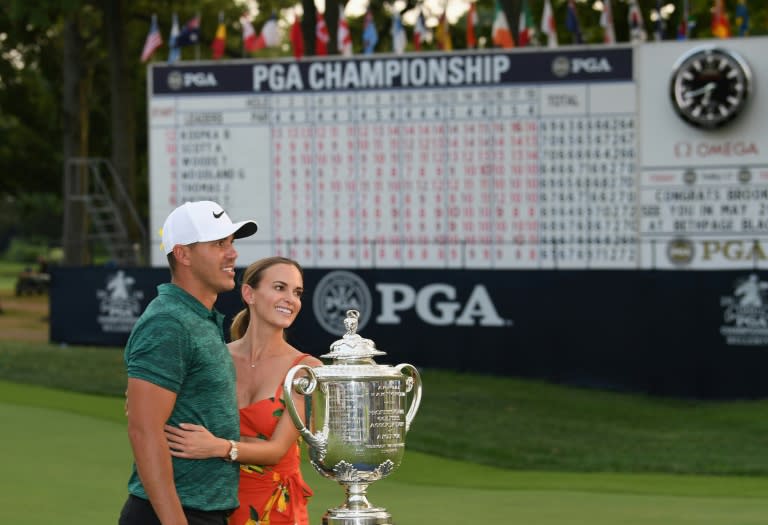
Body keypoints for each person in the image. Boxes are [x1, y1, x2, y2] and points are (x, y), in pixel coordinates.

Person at [120, 200, 258, 525]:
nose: (232, 253)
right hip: (173, 515)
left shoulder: (197, 317)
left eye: (232, 242)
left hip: (201, 512)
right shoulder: (168, 322)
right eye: (218, 244)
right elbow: (143, 431)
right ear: (183, 255)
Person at [164, 256, 322, 525]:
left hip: (274, 507)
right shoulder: (215, 358)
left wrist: (219, 447)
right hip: (211, 500)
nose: (291, 300)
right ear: (249, 293)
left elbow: (276, 451)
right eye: (279, 287)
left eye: (297, 293)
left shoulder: (305, 369)